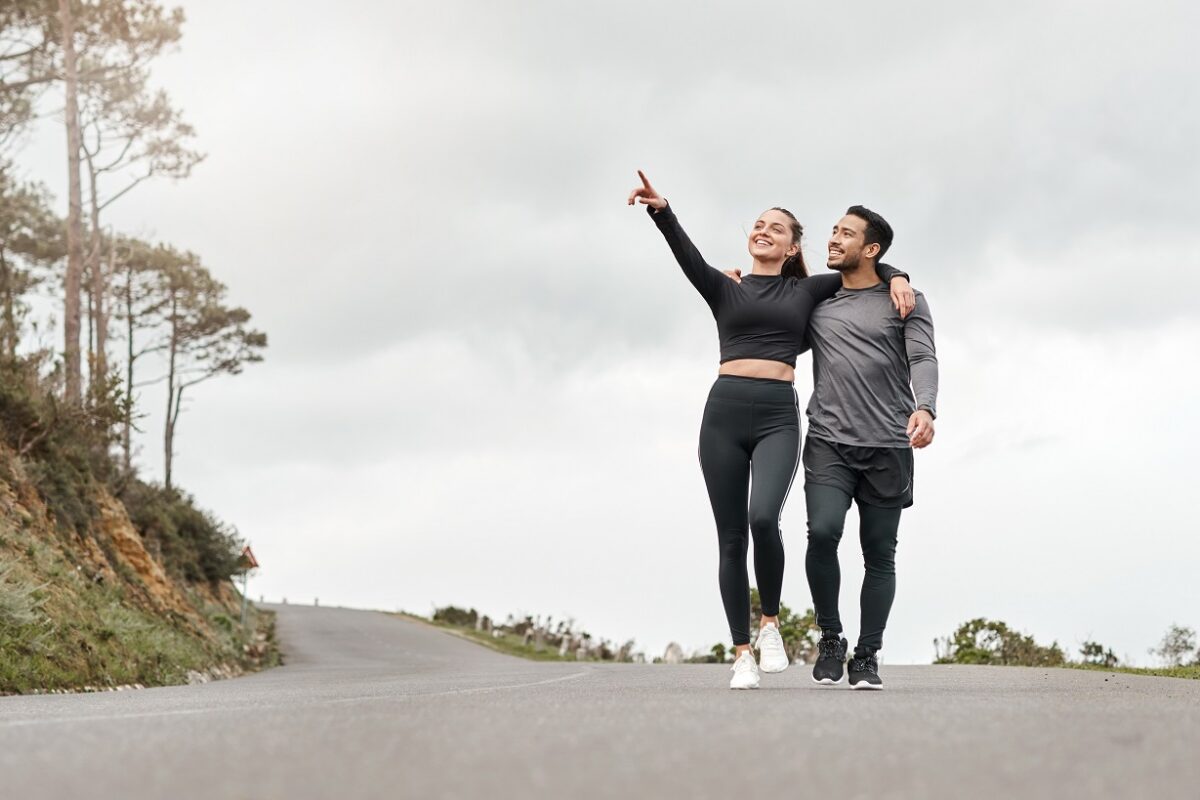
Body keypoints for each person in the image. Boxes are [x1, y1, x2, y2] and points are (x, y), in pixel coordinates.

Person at [627, 171, 915, 689]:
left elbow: (863, 269)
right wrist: (662, 210)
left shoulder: (809, 290)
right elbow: (684, 253)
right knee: (730, 535)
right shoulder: (723, 285)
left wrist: (898, 276)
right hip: (723, 414)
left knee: (765, 518)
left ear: (792, 245)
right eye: (758, 225)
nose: (763, 231)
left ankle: (770, 624)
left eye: (776, 228)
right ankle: (742, 652)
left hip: (779, 414)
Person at [798, 206, 938, 690]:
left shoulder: (908, 298)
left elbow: (922, 355)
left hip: (887, 444)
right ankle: (831, 638)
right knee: (823, 532)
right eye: (833, 230)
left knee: (880, 553)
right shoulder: (819, 298)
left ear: (871, 249)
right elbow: (771, 306)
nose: (833, 239)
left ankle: (867, 653)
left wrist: (927, 408)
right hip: (828, 440)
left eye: (845, 234)